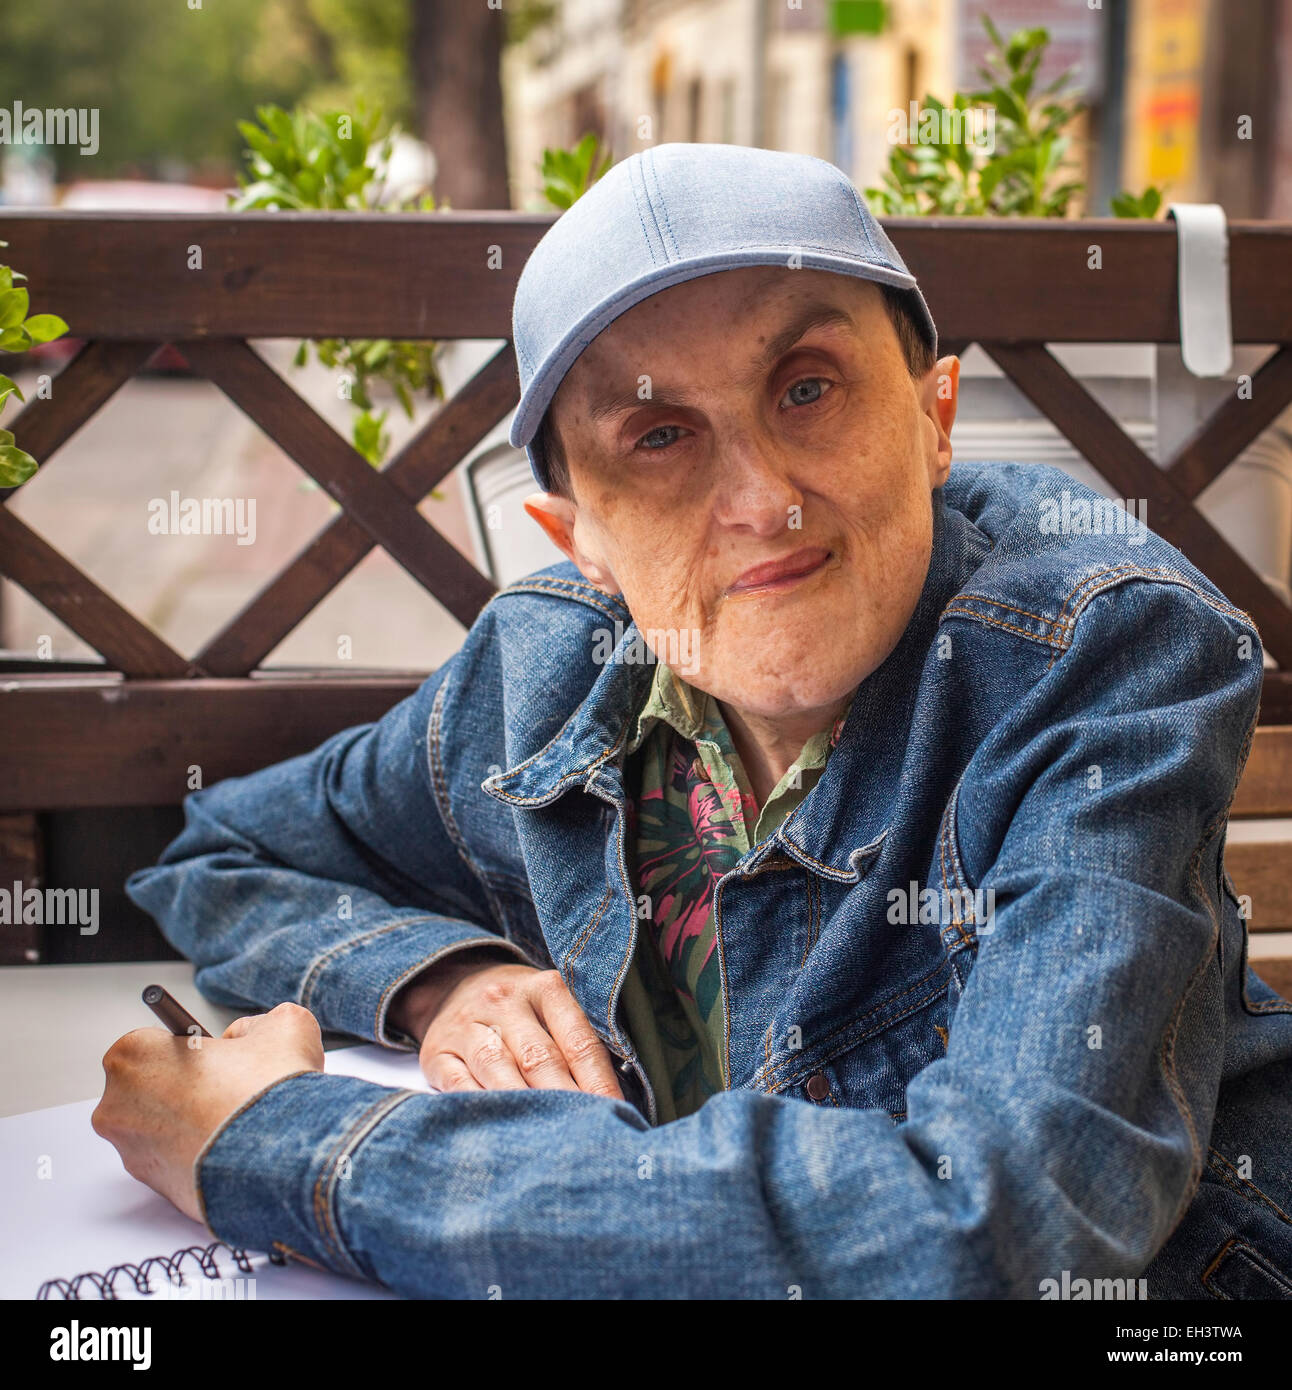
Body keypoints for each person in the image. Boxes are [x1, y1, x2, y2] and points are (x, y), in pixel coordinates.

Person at [97, 144, 1292, 1299]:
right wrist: (441, 977)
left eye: (807, 388)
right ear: (581, 543)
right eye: (659, 434)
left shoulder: (1096, 653)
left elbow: (991, 1228)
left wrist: (290, 1148)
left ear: (935, 419)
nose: (763, 502)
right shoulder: (543, 671)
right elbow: (228, 854)